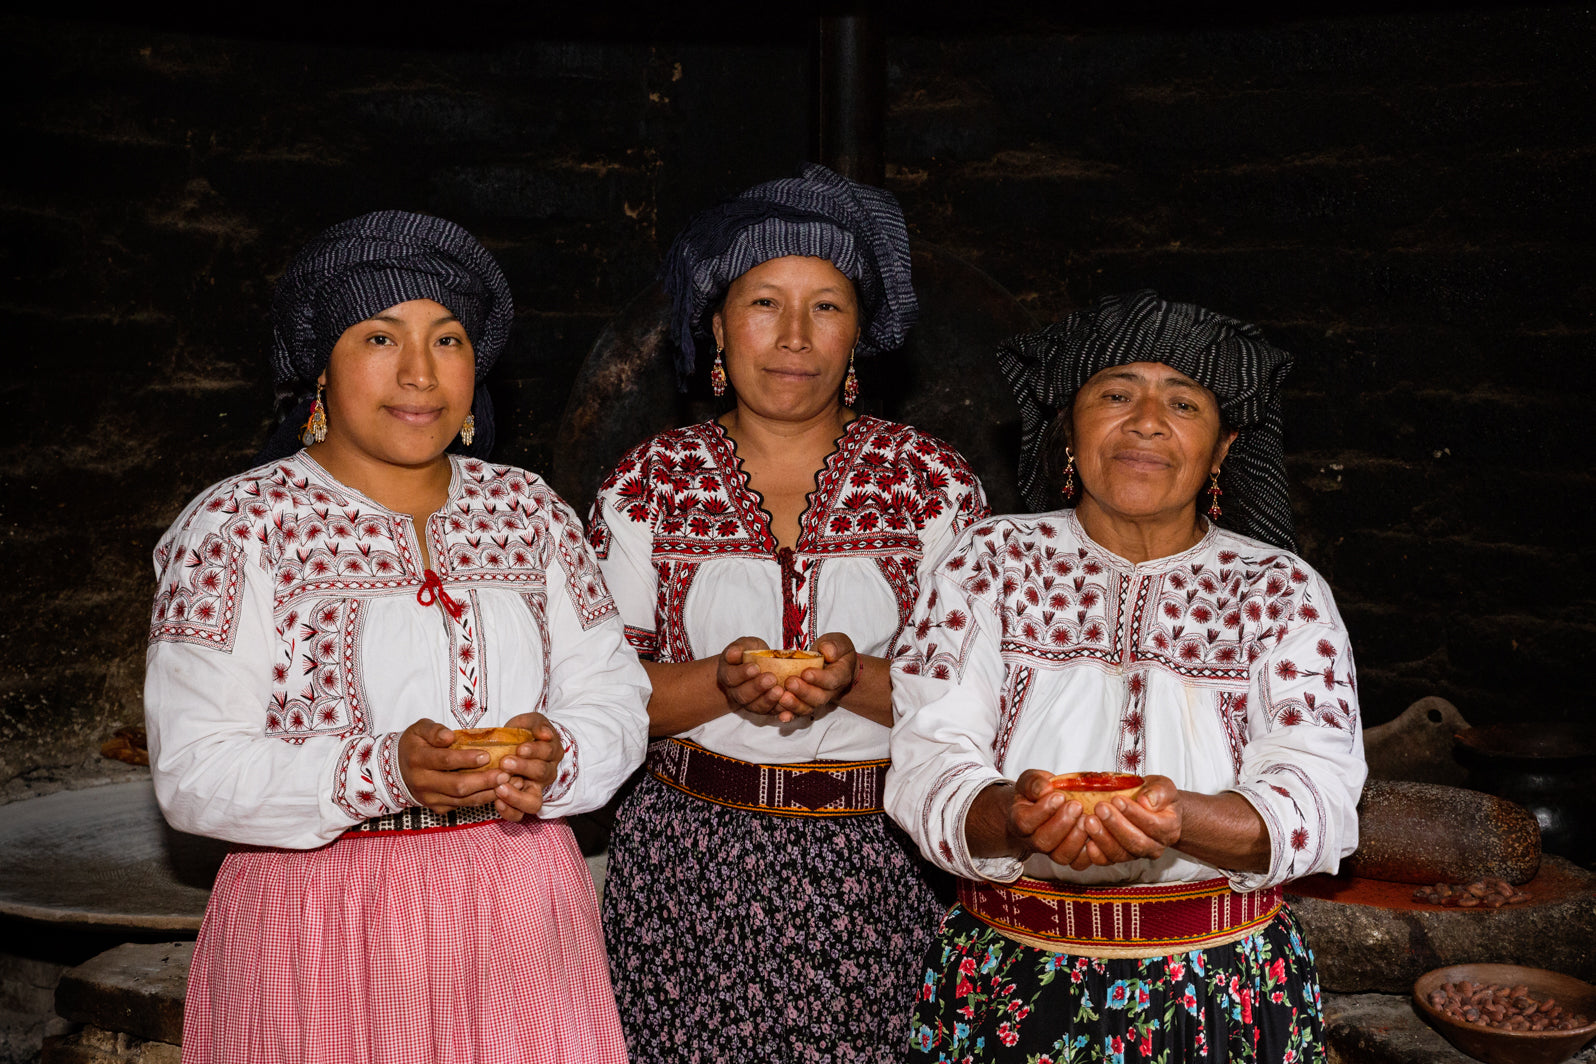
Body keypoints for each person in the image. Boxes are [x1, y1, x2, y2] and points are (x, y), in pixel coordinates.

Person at [144, 210, 650, 1064]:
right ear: (321, 368)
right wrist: (381, 771)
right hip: (316, 923)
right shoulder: (238, 526)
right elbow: (193, 772)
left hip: (519, 912)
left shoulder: (529, 511)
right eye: (381, 338)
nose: (420, 373)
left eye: (448, 340)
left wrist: (558, 752)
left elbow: (617, 697)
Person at [886, 290, 1364, 1063]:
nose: (1146, 420)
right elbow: (926, 761)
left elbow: (1319, 798)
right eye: (1115, 394)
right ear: (1069, 430)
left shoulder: (1281, 590)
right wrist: (1016, 813)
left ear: (1221, 450)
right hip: (1010, 983)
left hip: (1221, 993)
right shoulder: (988, 563)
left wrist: (1179, 819)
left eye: (1183, 401)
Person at [589, 164, 989, 1062]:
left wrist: (852, 681)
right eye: (765, 303)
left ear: (859, 338)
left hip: (886, 866)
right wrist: (723, 683)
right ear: (719, 327)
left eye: (827, 307)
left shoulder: (932, 486)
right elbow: (599, 697)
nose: (794, 337)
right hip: (688, 870)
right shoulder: (649, 485)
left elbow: (981, 699)